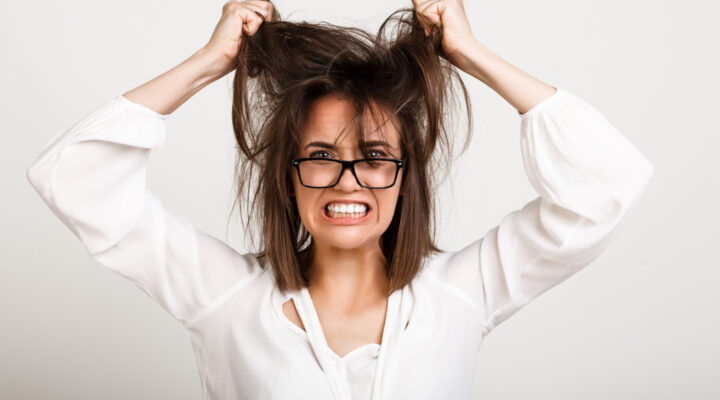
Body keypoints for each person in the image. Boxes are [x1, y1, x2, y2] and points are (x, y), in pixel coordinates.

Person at [26, 0, 654, 399]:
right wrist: (209, 61)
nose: (349, 180)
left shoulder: (464, 291)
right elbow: (74, 175)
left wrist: (472, 56)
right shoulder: (223, 295)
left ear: (405, 177)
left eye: (375, 157)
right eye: (322, 157)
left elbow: (606, 187)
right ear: (289, 175)